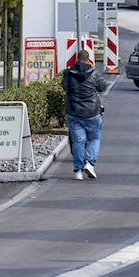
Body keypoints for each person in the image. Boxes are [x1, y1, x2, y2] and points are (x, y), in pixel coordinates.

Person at [61, 44, 109, 179]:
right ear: (89, 60)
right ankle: (89, 163)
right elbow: (102, 87)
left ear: (76, 59)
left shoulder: (68, 73)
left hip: (73, 112)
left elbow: (64, 86)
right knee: (94, 138)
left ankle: (78, 171)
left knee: (78, 141)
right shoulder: (94, 73)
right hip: (92, 112)